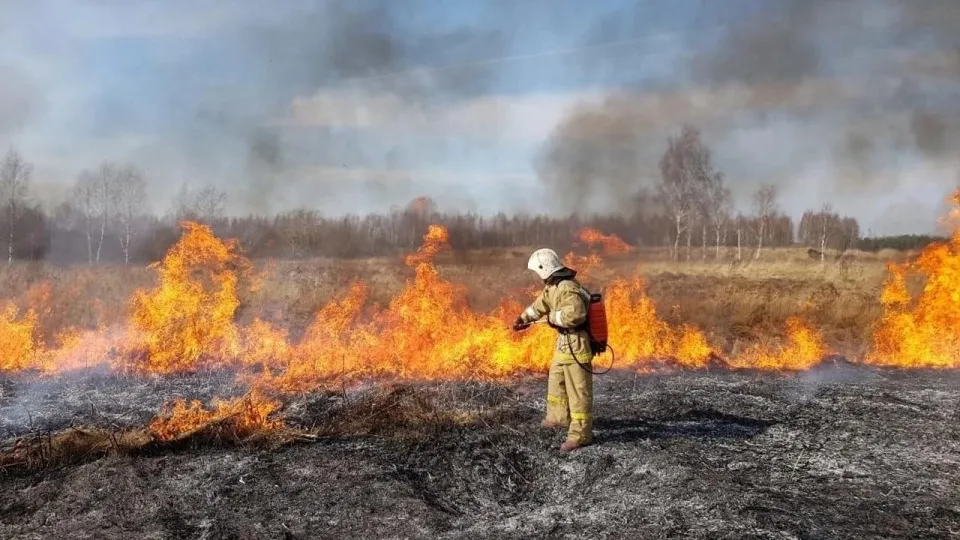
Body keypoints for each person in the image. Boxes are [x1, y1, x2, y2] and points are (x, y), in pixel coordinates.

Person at [513, 248, 594, 452]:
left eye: (537, 271)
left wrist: (552, 318)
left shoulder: (568, 288)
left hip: (576, 343)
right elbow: (540, 305)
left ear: (544, 268)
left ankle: (581, 435)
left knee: (578, 390)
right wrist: (524, 318)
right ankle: (558, 418)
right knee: (556, 381)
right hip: (564, 342)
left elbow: (576, 315)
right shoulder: (553, 287)